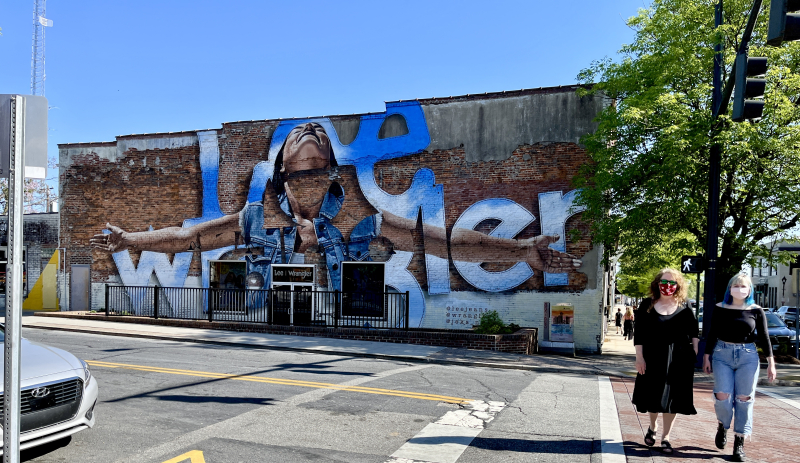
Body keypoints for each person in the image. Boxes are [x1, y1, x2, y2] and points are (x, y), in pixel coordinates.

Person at [90, 122, 582, 289]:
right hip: (264, 338)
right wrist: (130, 239)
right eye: (298, 141)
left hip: (342, 328)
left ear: (329, 167)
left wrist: (520, 251)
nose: (310, 137)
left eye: (319, 142)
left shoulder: (360, 216)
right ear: (283, 168)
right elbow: (189, 237)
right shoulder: (256, 218)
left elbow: (448, 242)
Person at [703, 273, 776, 462]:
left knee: (744, 399)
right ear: (730, 288)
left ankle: (739, 442)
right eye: (736, 285)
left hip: (748, 357)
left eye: (744, 286)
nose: (740, 289)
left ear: (749, 289)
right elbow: (711, 333)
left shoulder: (756, 310)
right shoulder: (720, 308)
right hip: (722, 354)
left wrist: (771, 363)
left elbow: (765, 337)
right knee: (723, 396)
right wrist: (706, 356)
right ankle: (723, 424)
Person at [633, 268, 700, 453]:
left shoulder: (685, 305)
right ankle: (653, 426)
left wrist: (694, 349)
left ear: (678, 286)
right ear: (657, 284)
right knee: (654, 395)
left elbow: (694, 330)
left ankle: (666, 437)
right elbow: (638, 334)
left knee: (673, 398)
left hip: (678, 358)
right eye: (664, 282)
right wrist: (639, 357)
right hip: (652, 356)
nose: (667, 286)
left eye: (672, 283)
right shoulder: (647, 304)